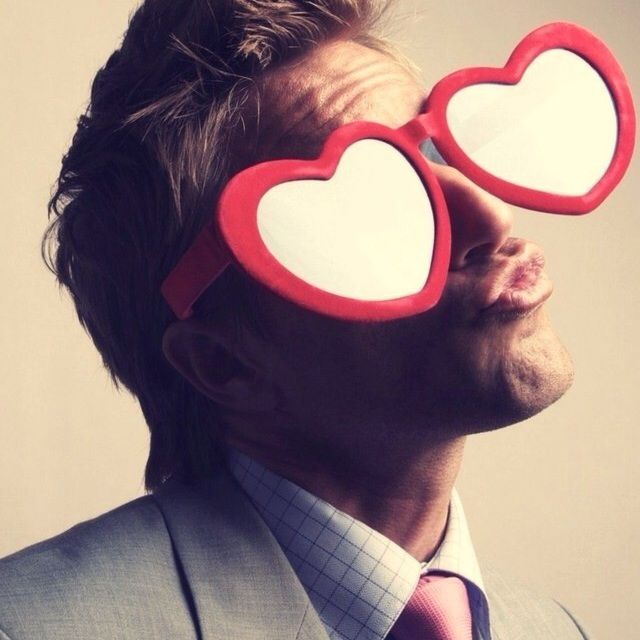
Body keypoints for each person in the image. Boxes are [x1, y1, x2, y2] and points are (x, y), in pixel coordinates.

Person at [0, 1, 590, 638]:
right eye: (365, 202)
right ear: (225, 363)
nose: (494, 218)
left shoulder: (556, 629)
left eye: (438, 153)